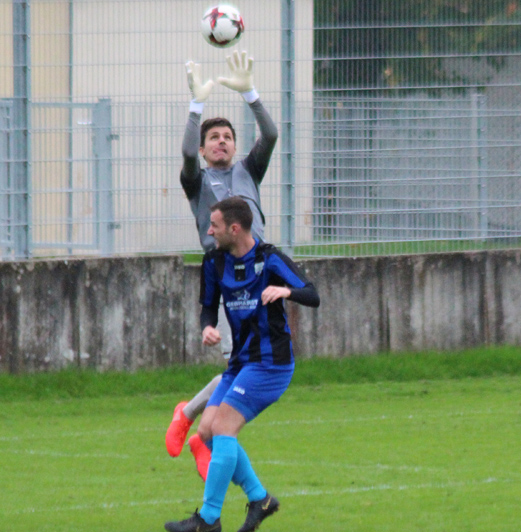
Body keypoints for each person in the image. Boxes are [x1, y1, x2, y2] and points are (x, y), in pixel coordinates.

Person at [164, 196, 320, 532]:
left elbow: (312, 294)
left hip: (270, 364)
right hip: (241, 362)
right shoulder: (214, 262)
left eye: (215, 226)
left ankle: (208, 520)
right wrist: (207, 326)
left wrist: (285, 292)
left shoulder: (269, 259)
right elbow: (208, 305)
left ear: (234, 229)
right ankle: (260, 499)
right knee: (206, 432)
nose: (209, 231)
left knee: (222, 428)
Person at [166, 49, 280, 481]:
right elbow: (185, 153)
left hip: (262, 274)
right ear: (203, 146)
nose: (221, 141)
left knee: (248, 363)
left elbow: (270, 134)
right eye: (213, 137)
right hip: (228, 278)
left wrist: (250, 93)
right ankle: (199, 429)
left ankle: (194, 424)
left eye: (227, 137)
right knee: (241, 363)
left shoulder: (249, 171)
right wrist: (197, 107)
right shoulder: (198, 181)